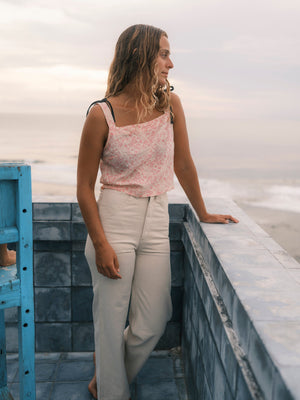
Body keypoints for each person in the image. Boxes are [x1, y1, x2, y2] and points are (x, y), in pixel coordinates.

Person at [77, 24, 238, 400]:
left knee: (153, 319)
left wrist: (204, 212)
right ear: (140, 56)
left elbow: (183, 164)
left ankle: (105, 377)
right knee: (111, 318)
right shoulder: (101, 115)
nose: (170, 63)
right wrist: (100, 243)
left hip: (156, 218)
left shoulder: (171, 106)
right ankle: (111, 392)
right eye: (164, 54)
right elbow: (84, 187)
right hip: (114, 218)